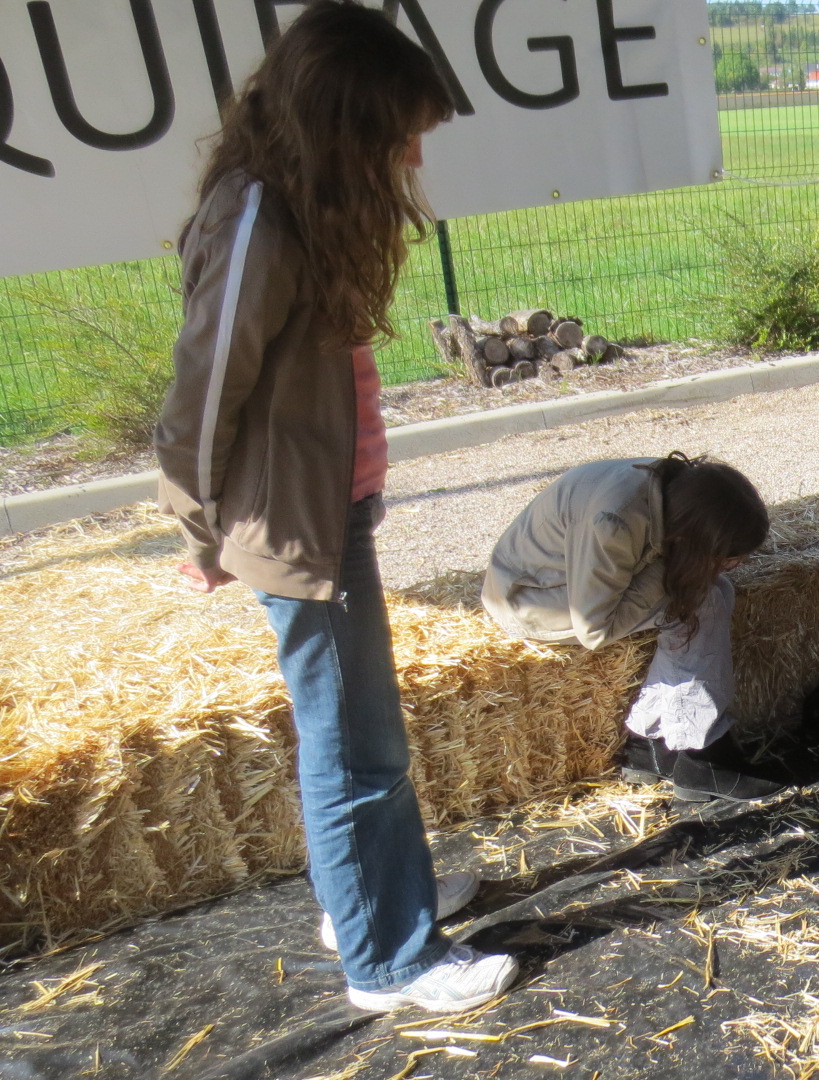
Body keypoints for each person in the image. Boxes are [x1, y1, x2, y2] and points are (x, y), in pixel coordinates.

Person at [154, 2, 515, 1013]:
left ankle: (371, 898)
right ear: (338, 121)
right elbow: (200, 396)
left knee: (359, 731)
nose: (408, 152)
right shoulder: (259, 217)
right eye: (395, 130)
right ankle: (389, 958)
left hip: (325, 509)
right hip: (293, 528)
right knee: (356, 744)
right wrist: (199, 528)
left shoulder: (296, 209)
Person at [482, 454, 784, 803]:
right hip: (534, 599)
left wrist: (693, 566)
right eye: (728, 557)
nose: (735, 565)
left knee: (713, 590)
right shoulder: (614, 523)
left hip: (551, 577)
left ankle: (651, 744)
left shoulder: (671, 487)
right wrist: (672, 573)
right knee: (703, 602)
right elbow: (594, 629)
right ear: (691, 536)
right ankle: (698, 753)